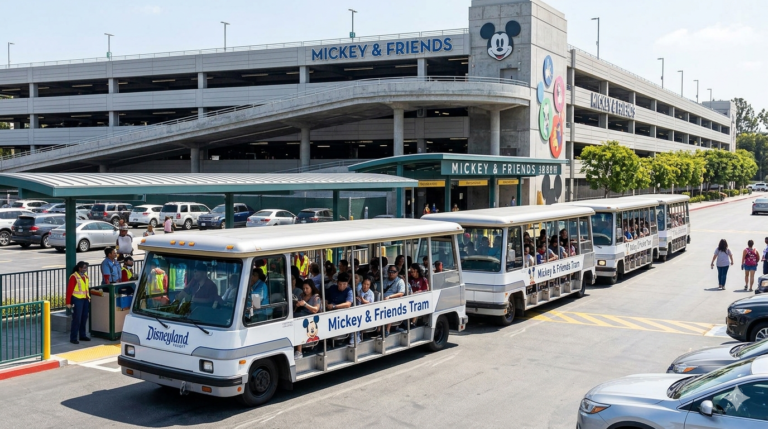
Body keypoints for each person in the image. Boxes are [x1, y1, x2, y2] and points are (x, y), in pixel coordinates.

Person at [294, 279, 323, 358]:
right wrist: (297, 305)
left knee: (299, 324)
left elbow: (315, 309)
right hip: (300, 315)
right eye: (304, 288)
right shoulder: (301, 296)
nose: (305, 290)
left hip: (311, 319)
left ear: (311, 288)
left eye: (307, 288)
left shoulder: (316, 297)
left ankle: (299, 351)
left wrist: (305, 304)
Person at [65, 261, 91, 345]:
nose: (85, 269)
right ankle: (73, 337)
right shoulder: (74, 277)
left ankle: (82, 335)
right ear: (79, 268)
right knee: (77, 319)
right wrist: (68, 302)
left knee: (84, 318)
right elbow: (69, 290)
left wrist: (88, 297)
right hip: (77, 299)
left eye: (86, 268)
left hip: (85, 299)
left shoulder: (86, 276)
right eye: (84, 268)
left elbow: (86, 288)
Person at [382, 266, 406, 336]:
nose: (391, 273)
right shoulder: (385, 280)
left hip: (395, 302)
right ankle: (378, 329)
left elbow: (401, 293)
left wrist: (389, 297)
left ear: (397, 273)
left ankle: (387, 330)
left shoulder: (400, 281)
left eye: (393, 272)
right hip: (384, 299)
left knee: (389, 308)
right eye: (390, 271)